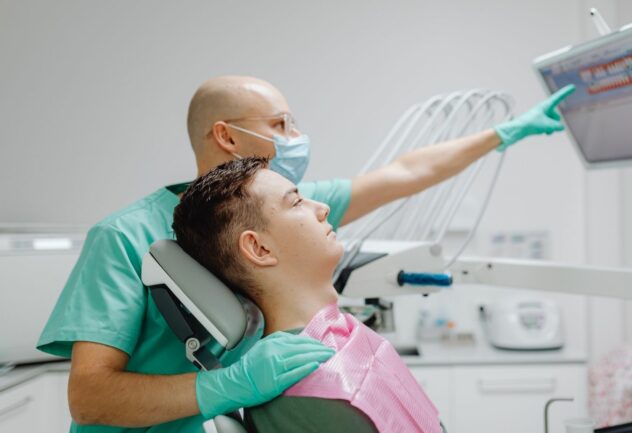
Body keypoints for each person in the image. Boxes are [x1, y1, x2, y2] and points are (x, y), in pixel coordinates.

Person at [37, 75, 574, 432]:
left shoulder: (281, 209)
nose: (296, 138)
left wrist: (504, 133)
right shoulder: (125, 236)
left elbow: (406, 173)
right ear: (225, 135)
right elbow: (89, 398)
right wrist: (226, 385)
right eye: (280, 125)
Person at [173, 156, 446, 433]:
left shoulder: (343, 334)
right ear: (260, 248)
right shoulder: (302, 388)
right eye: (296, 202)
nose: (323, 208)